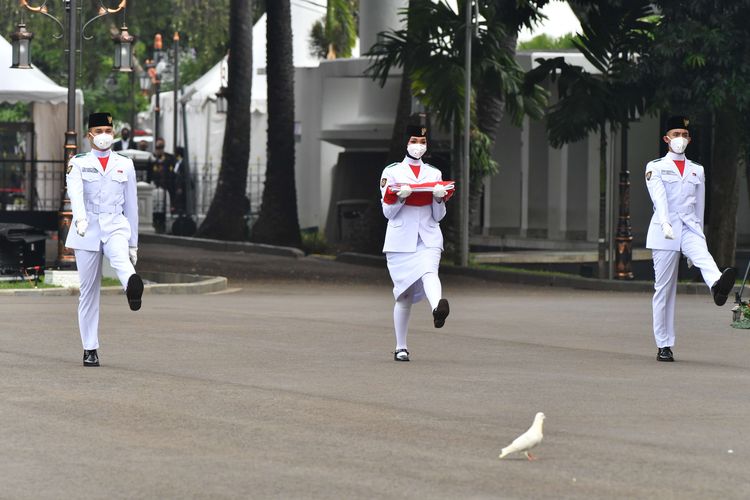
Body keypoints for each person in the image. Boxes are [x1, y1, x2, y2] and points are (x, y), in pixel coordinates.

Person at [645, 115, 737, 362]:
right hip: (665, 229)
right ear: (666, 139)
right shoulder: (655, 166)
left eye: (685, 135)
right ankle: (664, 344)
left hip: (689, 227)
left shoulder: (698, 169)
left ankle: (718, 285)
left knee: (704, 256)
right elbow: (659, 198)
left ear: (690, 139)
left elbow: (700, 204)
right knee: (664, 289)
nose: (680, 139)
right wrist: (664, 223)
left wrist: (700, 235)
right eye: (676, 135)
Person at [65, 112, 144, 367]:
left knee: (121, 256)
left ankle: (132, 286)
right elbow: (75, 193)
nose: (103, 136)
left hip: (114, 223)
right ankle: (90, 348)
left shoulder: (125, 163)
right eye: (98, 131)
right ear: (89, 135)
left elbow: (132, 205)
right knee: (88, 291)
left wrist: (134, 243)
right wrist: (80, 219)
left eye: (107, 131)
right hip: (87, 226)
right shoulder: (78, 163)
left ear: (114, 133)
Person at [379, 124, 454, 362]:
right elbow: (388, 213)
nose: (418, 146)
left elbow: (439, 216)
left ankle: (437, 308)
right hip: (401, 240)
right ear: (406, 142)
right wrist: (401, 198)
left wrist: (439, 199)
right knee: (403, 296)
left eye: (422, 141)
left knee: (430, 271)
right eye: (414, 140)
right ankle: (401, 347)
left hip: (429, 236)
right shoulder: (392, 172)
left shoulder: (434, 173)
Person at [152, 138, 176, 211]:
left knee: (166, 204)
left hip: (166, 184)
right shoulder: (152, 157)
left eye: (161, 147)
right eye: (157, 147)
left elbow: (172, 171)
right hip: (155, 185)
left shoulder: (169, 157)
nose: (159, 149)